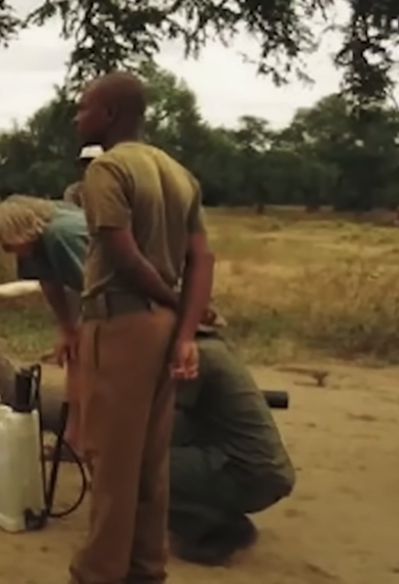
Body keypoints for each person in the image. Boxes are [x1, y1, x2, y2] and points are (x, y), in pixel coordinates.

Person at [67, 71, 215, 584]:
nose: (76, 117)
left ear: (109, 114)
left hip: (122, 322)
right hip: (163, 328)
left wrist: (171, 303)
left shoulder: (106, 169)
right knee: (151, 460)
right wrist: (187, 326)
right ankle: (146, 567)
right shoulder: (178, 173)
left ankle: (99, 571)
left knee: (111, 460)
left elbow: (122, 254)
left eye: (83, 108)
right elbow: (201, 258)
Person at [170, 324, 295, 566]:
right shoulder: (217, 349)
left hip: (246, 473)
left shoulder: (199, 356)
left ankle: (217, 527)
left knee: (136, 470)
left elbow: (166, 428)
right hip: (264, 472)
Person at [0, 194, 86, 450]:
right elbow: (49, 282)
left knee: (93, 362)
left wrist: (84, 328)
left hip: (125, 295)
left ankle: (92, 440)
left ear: (25, 231)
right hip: (91, 294)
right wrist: (68, 329)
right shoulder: (34, 243)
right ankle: (73, 440)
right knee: (76, 357)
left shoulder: (63, 234)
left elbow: (96, 286)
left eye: (11, 245)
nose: (10, 253)